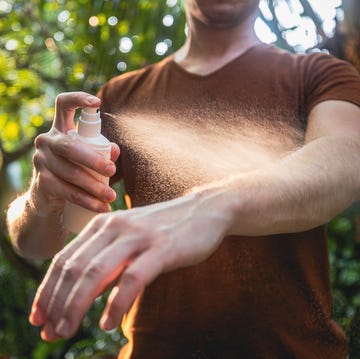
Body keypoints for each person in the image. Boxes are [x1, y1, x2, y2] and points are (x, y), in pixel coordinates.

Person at [6, 0, 360, 357]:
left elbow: (347, 155)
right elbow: (34, 245)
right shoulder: (120, 96)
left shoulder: (319, 74)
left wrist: (215, 205)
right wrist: (42, 195)